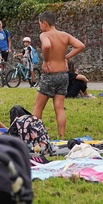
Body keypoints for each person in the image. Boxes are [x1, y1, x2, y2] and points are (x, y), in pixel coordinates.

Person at [33, 11, 84, 139]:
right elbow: (80, 46)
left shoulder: (44, 35)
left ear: (45, 23)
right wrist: (65, 57)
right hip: (63, 75)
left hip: (49, 75)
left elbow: (47, 45)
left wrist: (46, 60)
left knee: (38, 107)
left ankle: (36, 135)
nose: (40, 26)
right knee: (59, 108)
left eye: (40, 24)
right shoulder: (65, 35)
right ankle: (61, 136)